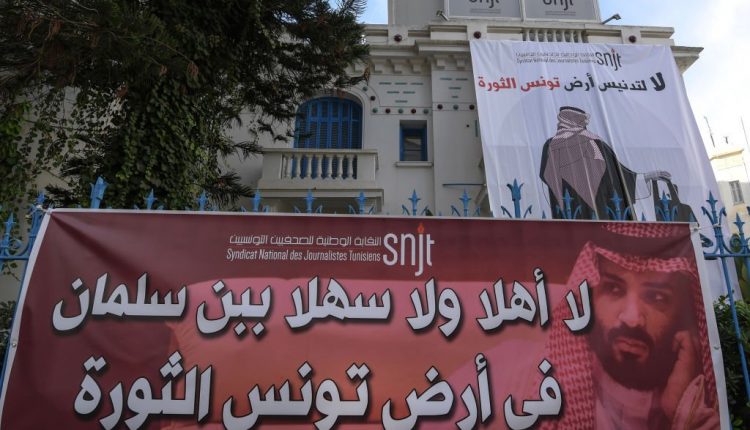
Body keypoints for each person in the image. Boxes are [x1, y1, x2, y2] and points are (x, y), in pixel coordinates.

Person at [538, 223, 720, 429]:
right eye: (614, 289)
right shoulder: (539, 391)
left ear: (683, 311)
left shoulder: (703, 403)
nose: (632, 319)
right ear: (589, 298)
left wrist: (685, 411)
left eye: (657, 297)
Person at [539, 106, 637, 220]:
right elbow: (617, 174)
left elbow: (545, 175)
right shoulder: (596, 144)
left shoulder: (550, 145)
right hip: (595, 209)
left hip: (567, 210)